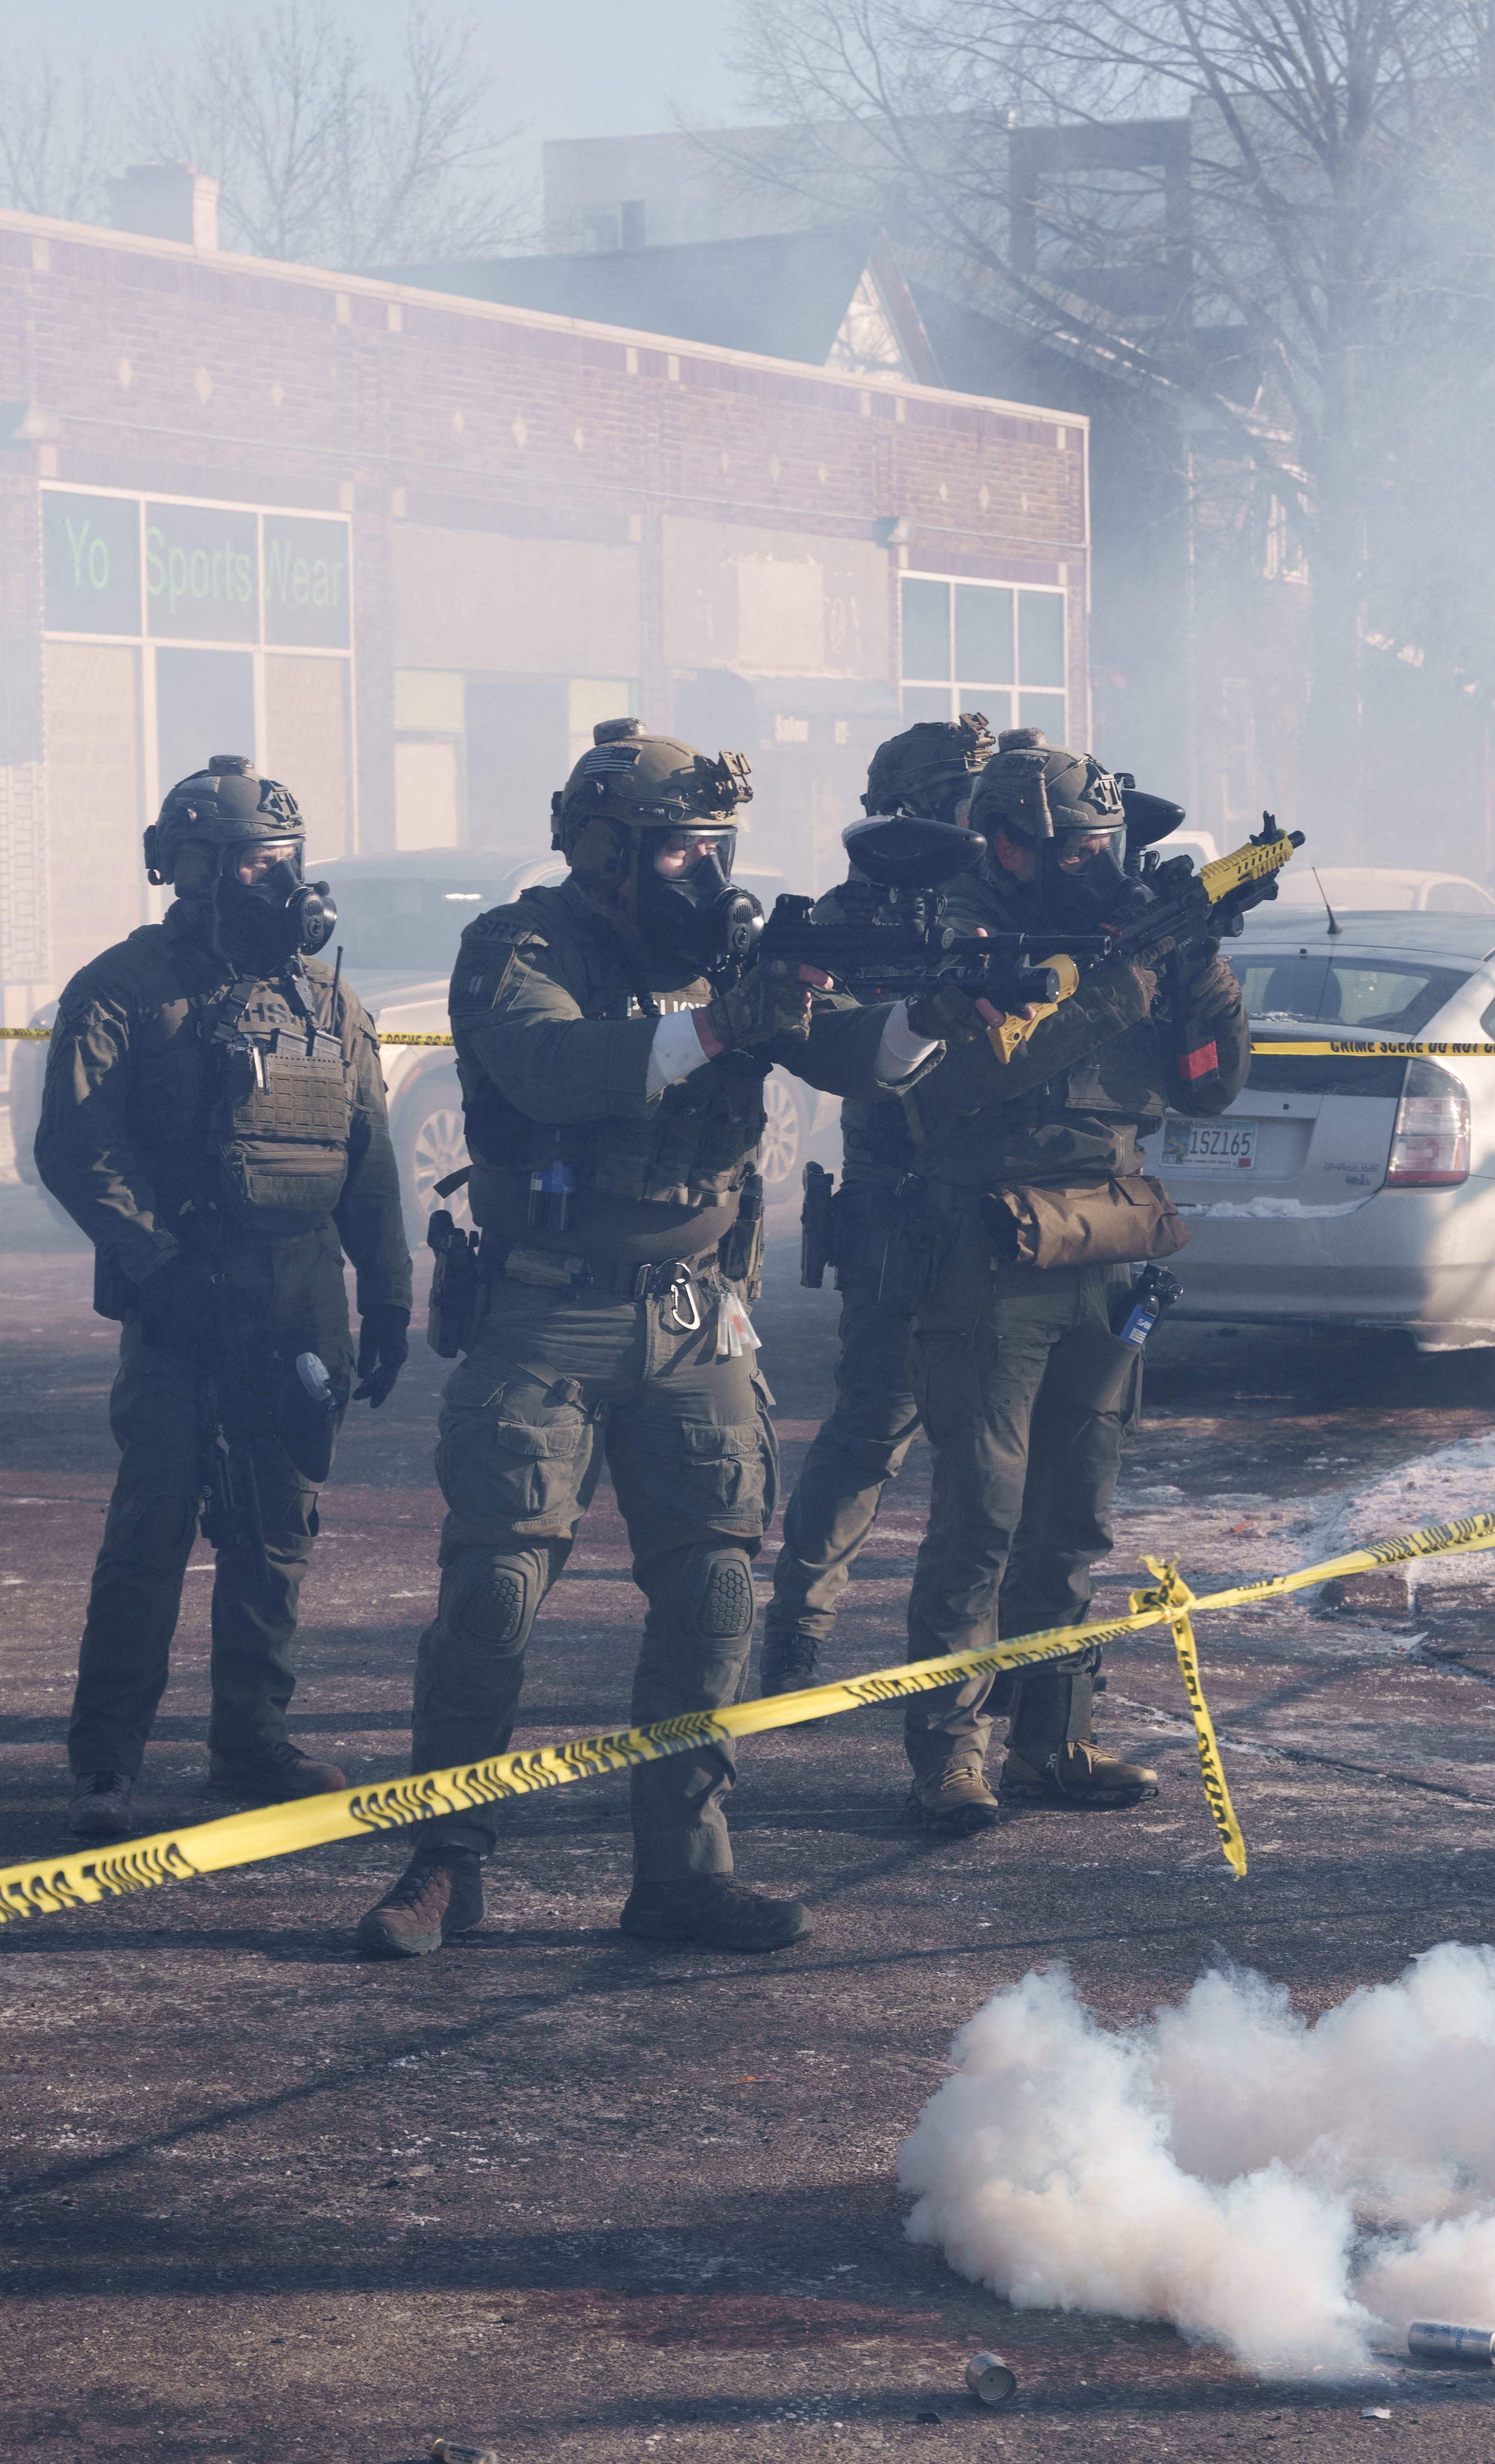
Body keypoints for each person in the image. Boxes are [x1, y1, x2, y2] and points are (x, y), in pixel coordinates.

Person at [354, 723, 939, 1959]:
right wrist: (721, 1028)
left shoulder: (730, 952)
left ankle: (682, 1868)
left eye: (714, 848)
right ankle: (446, 1861)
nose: (704, 874)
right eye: (678, 850)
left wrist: (928, 1012)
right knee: (491, 1594)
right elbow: (557, 1068)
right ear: (607, 850)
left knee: (716, 1589)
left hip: (692, 1311)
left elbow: (858, 1063)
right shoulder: (517, 948)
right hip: (545, 1306)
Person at [37, 756, 411, 1833]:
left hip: (302, 1293)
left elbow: (371, 1156)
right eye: (256, 860)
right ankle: (106, 1762)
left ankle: (251, 1740)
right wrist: (160, 1271)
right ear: (192, 870)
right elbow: (77, 1149)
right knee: (153, 1527)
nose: (278, 879)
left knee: (277, 1523)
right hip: (183, 1294)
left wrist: (387, 1296)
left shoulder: (329, 1000)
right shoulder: (122, 987)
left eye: (288, 860)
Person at [889, 740, 1253, 1833]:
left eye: (1112, 845)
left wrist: (1194, 963)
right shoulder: (951, 929)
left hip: (1109, 1235)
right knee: (981, 1518)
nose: (1104, 864)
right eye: (1082, 846)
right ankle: (949, 1753)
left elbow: (1211, 1086)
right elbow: (973, 1073)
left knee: (1072, 1518)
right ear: (1011, 843)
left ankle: (1052, 1739)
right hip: (989, 1249)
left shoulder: (1123, 934)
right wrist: (1119, 981)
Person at [753, 712, 997, 1698]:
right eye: (960, 795)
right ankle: (797, 1637)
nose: (975, 813)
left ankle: (1007, 1658)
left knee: (999, 1452)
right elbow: (849, 1046)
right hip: (900, 1207)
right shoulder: (866, 916)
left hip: (1001, 1207)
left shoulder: (1002, 900)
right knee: (869, 1434)